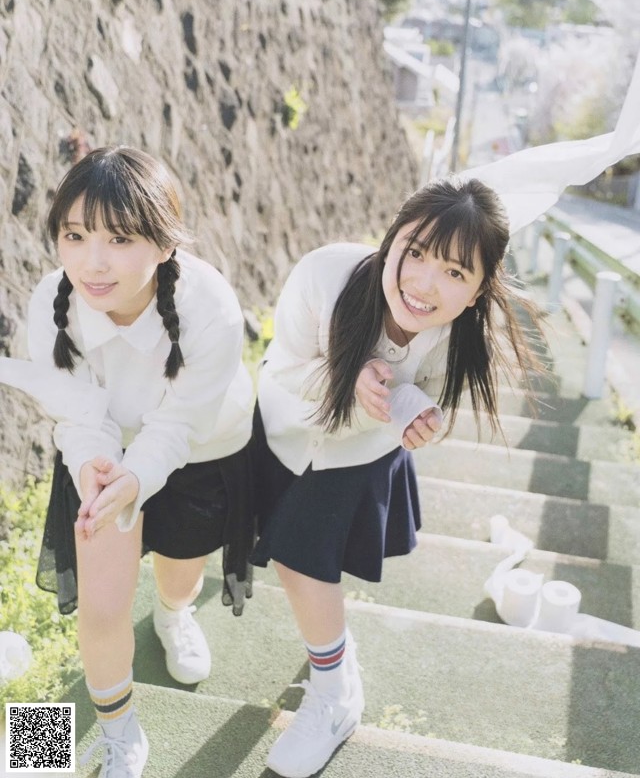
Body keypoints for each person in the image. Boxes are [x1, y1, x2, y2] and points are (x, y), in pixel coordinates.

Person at [251, 176, 541, 778]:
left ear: (479, 290)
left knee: (299, 558)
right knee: (166, 558)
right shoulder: (323, 275)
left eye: (455, 272)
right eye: (417, 254)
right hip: (147, 458)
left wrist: (413, 413)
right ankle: (168, 625)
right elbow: (281, 369)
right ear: (392, 240)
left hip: (354, 449)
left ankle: (335, 691)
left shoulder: (461, 340)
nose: (424, 284)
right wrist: (344, 377)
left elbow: (429, 404)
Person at [25, 146, 255, 778]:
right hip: (102, 454)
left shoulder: (211, 305)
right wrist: (95, 467)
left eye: (120, 238)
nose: (92, 262)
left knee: (179, 575)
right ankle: (120, 733)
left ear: (165, 243)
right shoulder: (50, 302)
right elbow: (76, 413)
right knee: (102, 607)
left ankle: (175, 616)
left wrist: (141, 475)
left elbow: (180, 424)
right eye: (75, 235)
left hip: (201, 449)